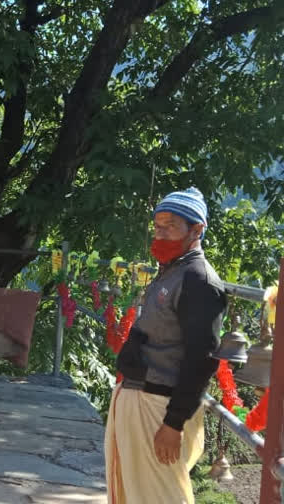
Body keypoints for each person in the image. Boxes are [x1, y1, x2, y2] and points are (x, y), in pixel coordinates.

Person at [105, 187, 226, 503]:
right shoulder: (172, 271)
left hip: (160, 408)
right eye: (157, 226)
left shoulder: (199, 280)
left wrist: (174, 424)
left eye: (170, 226)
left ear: (196, 229)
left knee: (161, 496)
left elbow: (202, 359)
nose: (160, 234)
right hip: (138, 395)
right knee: (131, 493)